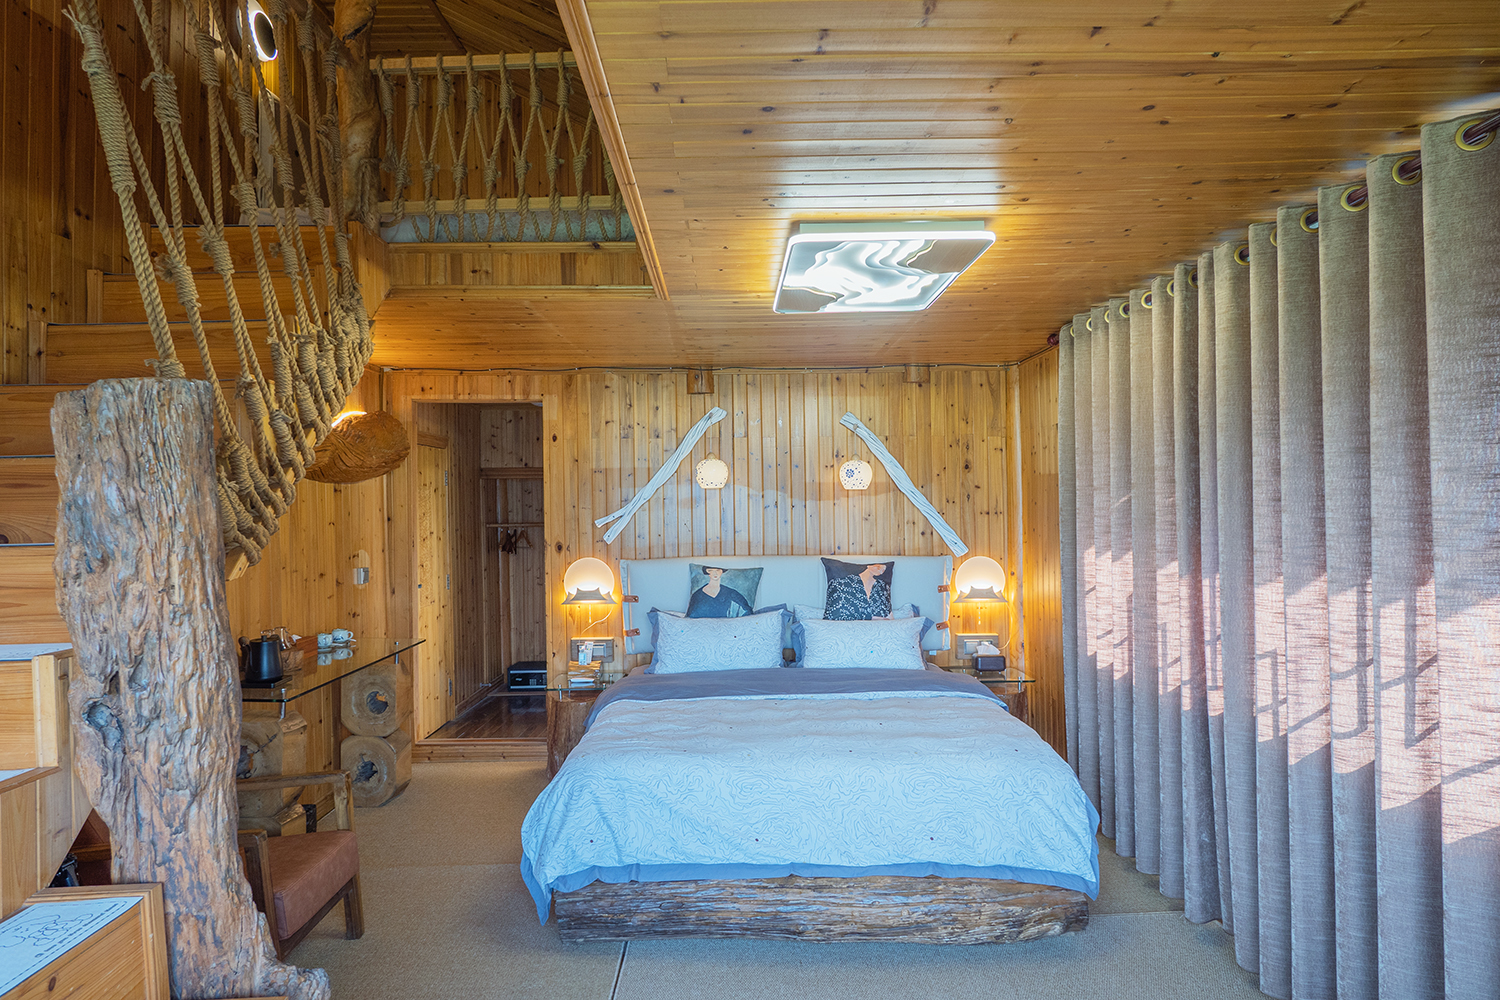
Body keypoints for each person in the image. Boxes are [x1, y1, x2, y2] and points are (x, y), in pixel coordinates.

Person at [825, 561, 893, 620]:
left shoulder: (880, 585)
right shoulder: (843, 582)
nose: (881, 570)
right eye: (878, 567)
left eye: (883, 570)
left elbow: (886, 614)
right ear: (869, 567)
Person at [687, 566, 753, 618]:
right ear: (707, 572)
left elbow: (747, 609)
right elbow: (689, 617)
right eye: (711, 570)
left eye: (718, 570)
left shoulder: (730, 592)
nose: (715, 573)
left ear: (722, 572)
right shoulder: (697, 595)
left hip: (726, 627)